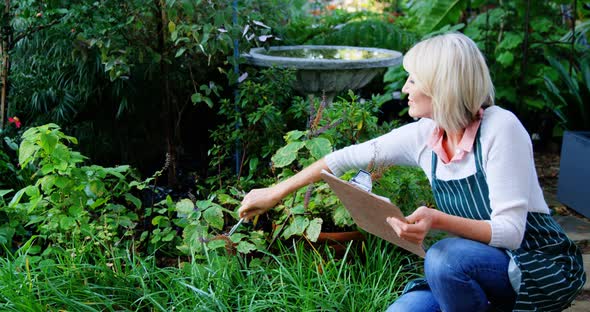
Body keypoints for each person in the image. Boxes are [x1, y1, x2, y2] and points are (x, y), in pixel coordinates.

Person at [238, 33, 586, 311]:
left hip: (537, 266)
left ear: (441, 85)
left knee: (443, 257)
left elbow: (510, 234)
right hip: (471, 271)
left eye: (413, 79)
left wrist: (436, 219)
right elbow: (339, 160)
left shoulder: (500, 128)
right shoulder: (424, 135)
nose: (405, 88)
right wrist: (274, 193)